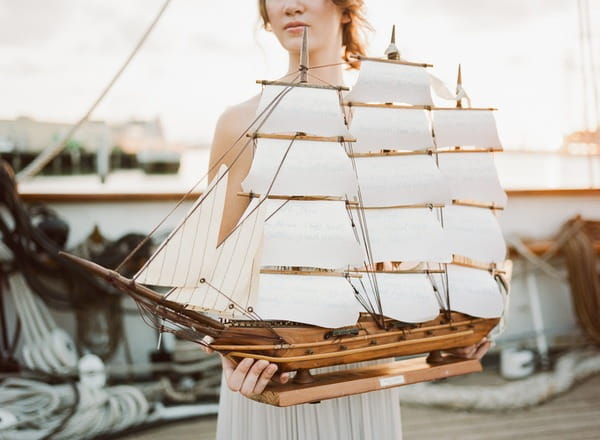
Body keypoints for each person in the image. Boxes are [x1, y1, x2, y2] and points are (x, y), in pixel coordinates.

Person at [207, 1, 491, 439]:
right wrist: (228, 350)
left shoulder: (393, 120)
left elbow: (437, 238)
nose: (290, 4)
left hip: (365, 352)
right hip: (277, 353)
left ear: (344, 9)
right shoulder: (240, 122)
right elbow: (216, 263)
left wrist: (463, 317)